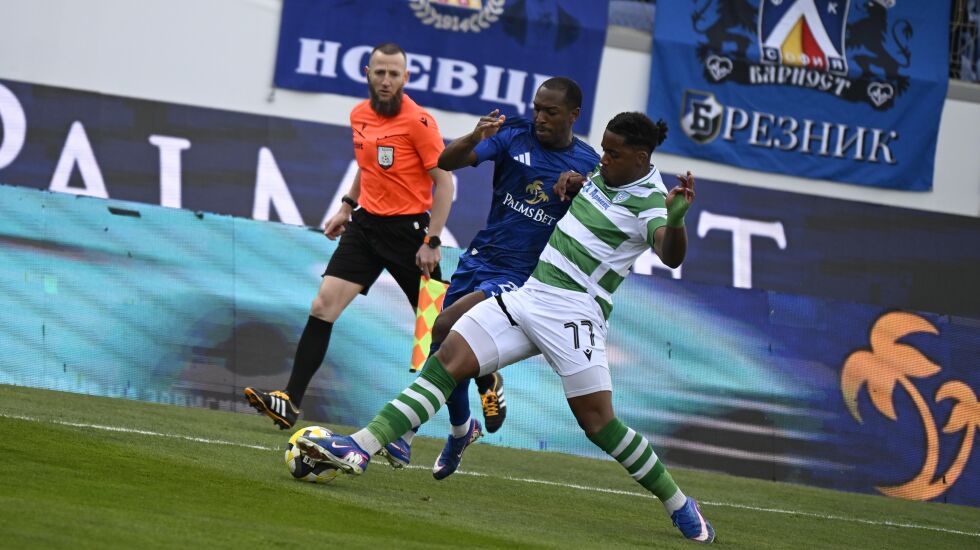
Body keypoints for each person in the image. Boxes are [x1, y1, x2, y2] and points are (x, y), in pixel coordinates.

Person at [293, 112, 716, 543]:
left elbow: (670, 253)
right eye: (604, 149)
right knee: (447, 357)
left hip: (575, 315)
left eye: (614, 153)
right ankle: (361, 446)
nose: (604, 158)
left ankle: (680, 503)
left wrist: (676, 219)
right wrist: (572, 182)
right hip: (530, 294)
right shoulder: (602, 174)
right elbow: (588, 188)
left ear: (641, 157)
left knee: (600, 425)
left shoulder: (650, 201)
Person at [243, 43, 454, 466]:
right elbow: (367, 164)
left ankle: (482, 388)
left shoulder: (419, 122)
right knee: (323, 305)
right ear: (367, 73)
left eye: (394, 73)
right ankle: (290, 400)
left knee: (441, 330)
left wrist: (432, 241)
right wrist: (346, 205)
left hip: (410, 234)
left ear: (406, 78)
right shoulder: (359, 115)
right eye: (380, 72)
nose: (386, 80)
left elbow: (445, 182)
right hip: (365, 227)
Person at [423, 76, 600, 479]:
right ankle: (462, 430)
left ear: (573, 115)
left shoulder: (587, 163)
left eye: (550, 112)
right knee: (443, 348)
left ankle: (401, 432)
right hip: (480, 257)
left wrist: (586, 185)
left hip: (522, 276)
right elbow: (446, 161)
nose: (540, 117)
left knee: (447, 325)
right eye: (537, 108)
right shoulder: (513, 134)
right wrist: (474, 136)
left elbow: (615, 207)